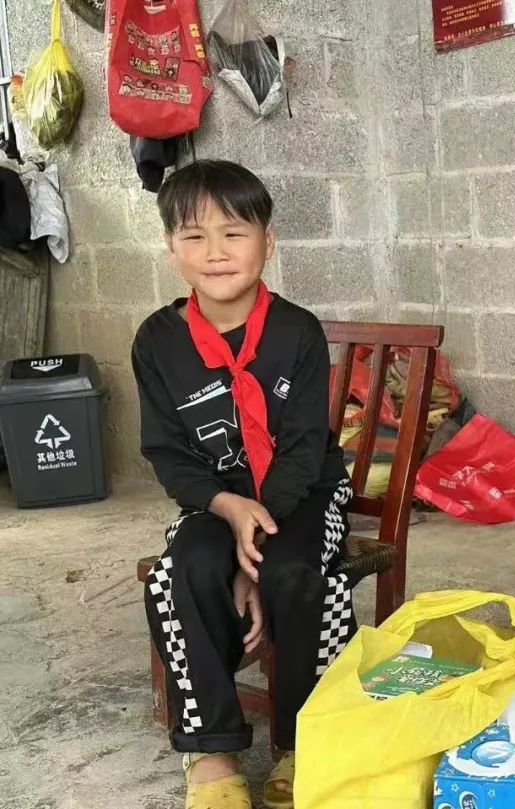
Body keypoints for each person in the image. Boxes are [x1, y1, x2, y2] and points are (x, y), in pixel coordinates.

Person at [133, 160, 352, 809]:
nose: (216, 252)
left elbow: (304, 450)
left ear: (267, 241)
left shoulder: (297, 331)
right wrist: (227, 508)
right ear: (171, 247)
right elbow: (167, 452)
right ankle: (212, 750)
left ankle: (303, 740)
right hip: (213, 496)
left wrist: (252, 559)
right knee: (182, 568)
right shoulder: (158, 341)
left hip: (302, 492)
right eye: (194, 236)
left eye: (234, 232)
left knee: (297, 571)